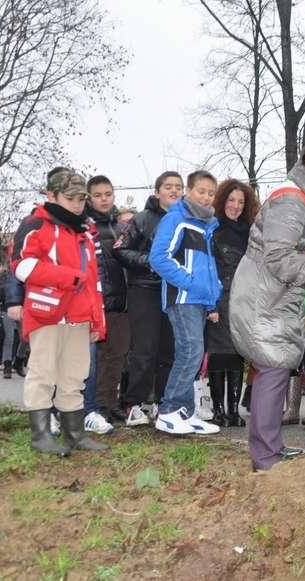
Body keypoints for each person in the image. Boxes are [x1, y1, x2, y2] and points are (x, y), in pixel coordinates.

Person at [230, 131, 305, 470]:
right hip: (262, 298)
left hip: (274, 296)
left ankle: (269, 448)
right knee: (273, 367)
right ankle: (266, 457)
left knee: (276, 369)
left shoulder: (304, 202)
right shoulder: (291, 200)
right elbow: (281, 256)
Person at [11, 169, 107, 455]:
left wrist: (97, 320)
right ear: (51, 195)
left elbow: (93, 282)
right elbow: (21, 266)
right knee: (43, 373)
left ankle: (74, 434)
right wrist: (66, 277)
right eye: (71, 198)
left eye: (81, 198)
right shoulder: (35, 224)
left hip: (78, 316)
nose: (78, 203)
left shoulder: (85, 233)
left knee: (74, 375)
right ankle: (41, 436)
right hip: (46, 313)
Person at [148, 171, 224, 436]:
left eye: (211, 193)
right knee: (190, 352)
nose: (206, 197)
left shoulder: (206, 226)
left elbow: (209, 266)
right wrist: (190, 283)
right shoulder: (177, 219)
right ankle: (169, 411)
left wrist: (213, 294)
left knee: (193, 354)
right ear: (188, 191)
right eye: (201, 191)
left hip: (200, 301)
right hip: (182, 298)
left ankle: (185, 413)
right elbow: (158, 258)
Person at [114, 171, 182, 425]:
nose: (174, 191)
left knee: (169, 351)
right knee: (144, 349)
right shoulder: (142, 219)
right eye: (168, 187)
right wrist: (150, 263)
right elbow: (120, 249)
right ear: (157, 192)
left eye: (178, 186)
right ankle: (133, 403)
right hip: (145, 289)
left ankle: (163, 404)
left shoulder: (186, 220)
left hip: (174, 292)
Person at [205, 178, 259, 427]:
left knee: (238, 353)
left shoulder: (251, 232)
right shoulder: (211, 229)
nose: (235, 206)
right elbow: (208, 268)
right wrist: (211, 304)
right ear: (222, 200)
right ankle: (218, 410)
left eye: (240, 201)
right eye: (231, 200)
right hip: (218, 296)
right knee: (218, 354)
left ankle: (233, 411)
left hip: (243, 299)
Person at [82, 175, 131, 433]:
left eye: (108, 194)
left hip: (123, 300)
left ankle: (110, 402)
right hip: (99, 301)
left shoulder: (120, 225)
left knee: (118, 355)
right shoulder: (86, 226)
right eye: (98, 194)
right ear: (89, 197)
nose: (104, 199)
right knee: (99, 358)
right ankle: (96, 406)